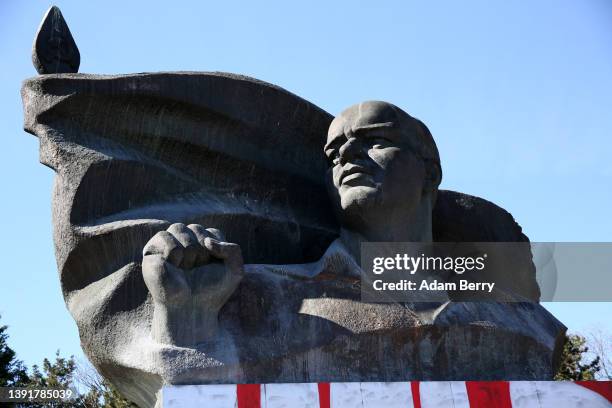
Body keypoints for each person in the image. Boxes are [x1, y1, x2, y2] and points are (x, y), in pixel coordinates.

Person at [142, 101, 444, 347]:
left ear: (430, 173)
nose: (346, 155)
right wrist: (186, 318)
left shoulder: (486, 291)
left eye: (376, 141)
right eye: (333, 155)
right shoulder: (261, 294)